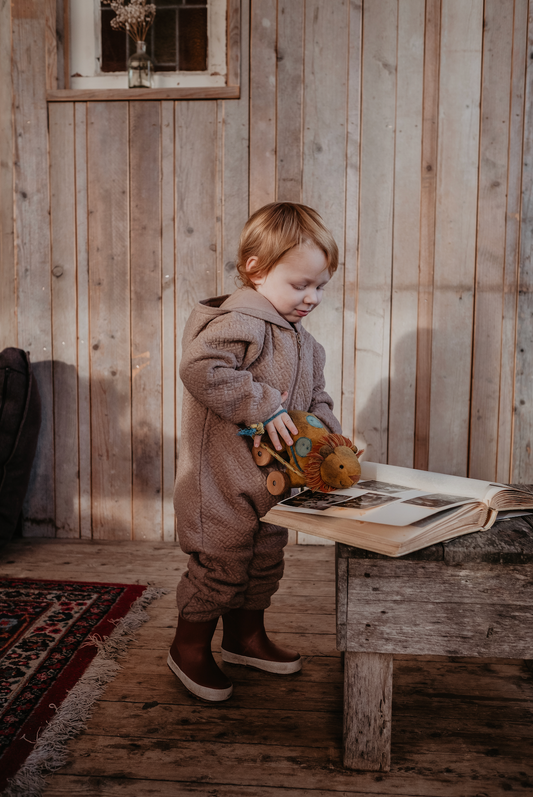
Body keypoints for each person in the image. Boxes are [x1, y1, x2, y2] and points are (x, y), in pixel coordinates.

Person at [168, 201, 342, 701]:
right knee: (221, 562)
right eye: (300, 284)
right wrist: (263, 404)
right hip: (218, 479)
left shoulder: (307, 344)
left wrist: (328, 437)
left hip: (270, 482)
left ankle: (246, 638)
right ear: (255, 270)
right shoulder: (238, 323)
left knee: (264, 559)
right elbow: (201, 369)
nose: (312, 298)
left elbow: (316, 400)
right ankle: (189, 647)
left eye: (321, 286)